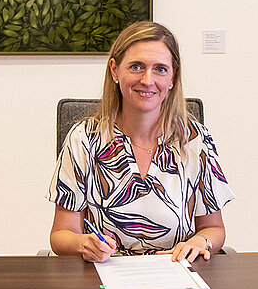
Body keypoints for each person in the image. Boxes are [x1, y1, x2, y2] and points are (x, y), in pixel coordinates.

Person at [47, 21, 235, 263]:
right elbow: (60, 236)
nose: (147, 80)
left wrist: (200, 241)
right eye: (136, 67)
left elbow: (214, 229)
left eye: (160, 69)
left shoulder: (195, 140)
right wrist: (84, 244)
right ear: (114, 70)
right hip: (103, 281)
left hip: (176, 279)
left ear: (172, 78)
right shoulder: (84, 138)